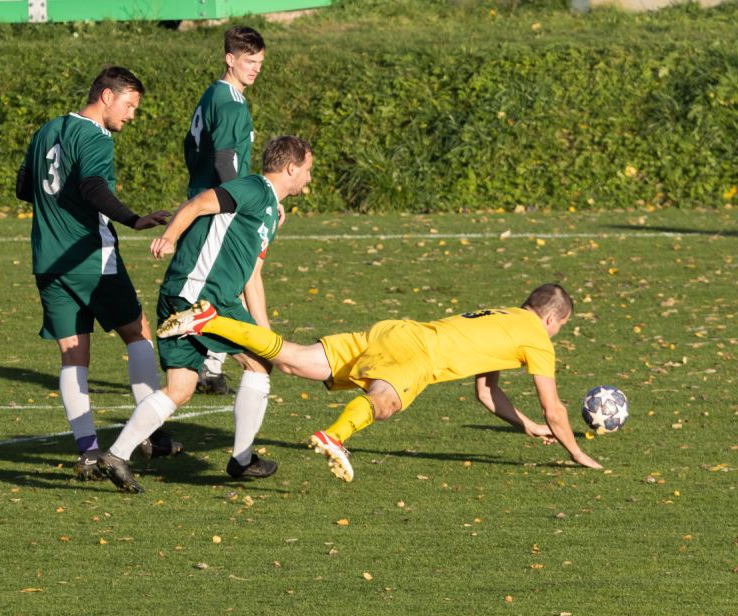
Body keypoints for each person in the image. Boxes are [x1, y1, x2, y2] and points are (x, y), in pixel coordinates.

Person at [156, 283, 604, 481]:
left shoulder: (505, 318)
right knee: (385, 401)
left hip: (394, 332)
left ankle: (212, 319)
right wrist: (577, 452)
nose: (553, 336)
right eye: (557, 328)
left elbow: (487, 392)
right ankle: (334, 435)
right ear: (550, 318)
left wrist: (526, 426)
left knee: (291, 360)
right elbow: (556, 408)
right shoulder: (537, 339)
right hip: (416, 354)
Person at [96, 135, 313, 493]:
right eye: (307, 170)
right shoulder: (254, 189)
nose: (308, 178)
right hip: (202, 298)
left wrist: (264, 332)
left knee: (181, 389)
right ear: (291, 167)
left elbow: (252, 276)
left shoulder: (272, 210)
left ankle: (117, 455)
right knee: (260, 364)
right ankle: (242, 459)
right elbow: (199, 203)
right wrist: (169, 236)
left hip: (189, 294)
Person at [15, 66, 180, 480]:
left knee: (73, 353)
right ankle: (151, 433)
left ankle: (88, 451)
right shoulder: (95, 137)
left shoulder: (48, 130)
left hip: (48, 261)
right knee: (138, 332)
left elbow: (23, 188)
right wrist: (133, 218)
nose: (131, 116)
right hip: (90, 258)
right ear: (107, 96)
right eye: (129, 106)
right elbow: (92, 187)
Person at [184, 26, 266, 396]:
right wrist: (238, 201)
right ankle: (204, 362)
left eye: (260, 62)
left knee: (222, 281)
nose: (255, 69)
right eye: (249, 61)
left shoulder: (212, 94)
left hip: (208, 198)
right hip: (222, 205)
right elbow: (224, 159)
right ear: (230, 59)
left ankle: (209, 365)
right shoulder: (231, 102)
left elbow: (191, 146)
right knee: (223, 284)